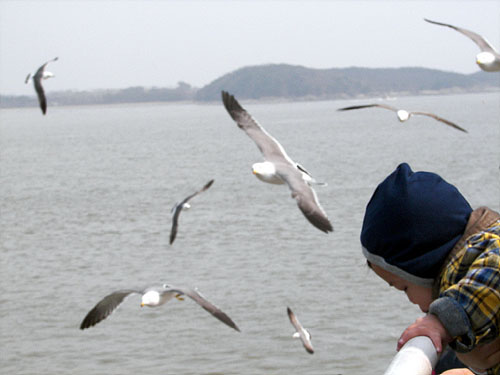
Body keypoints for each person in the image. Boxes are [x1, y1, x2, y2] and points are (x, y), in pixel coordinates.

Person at [360, 163, 500, 375]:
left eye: (403, 287)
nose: (411, 301)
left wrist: (441, 321)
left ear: (423, 265)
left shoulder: (470, 259)